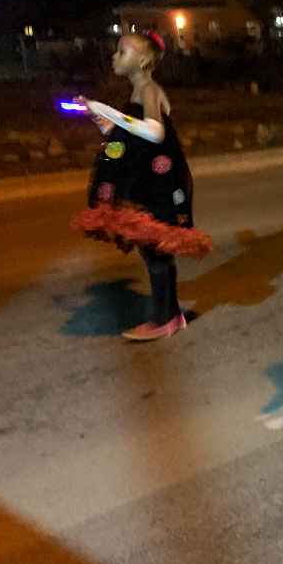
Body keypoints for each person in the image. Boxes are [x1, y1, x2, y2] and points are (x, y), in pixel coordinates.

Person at [72, 31, 211, 341]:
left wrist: (107, 109)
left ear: (144, 60)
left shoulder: (149, 89)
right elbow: (122, 135)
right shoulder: (137, 91)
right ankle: (170, 315)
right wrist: (98, 116)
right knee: (153, 252)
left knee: (156, 252)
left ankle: (166, 318)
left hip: (160, 184)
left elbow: (154, 132)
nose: (114, 56)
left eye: (122, 52)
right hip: (145, 182)